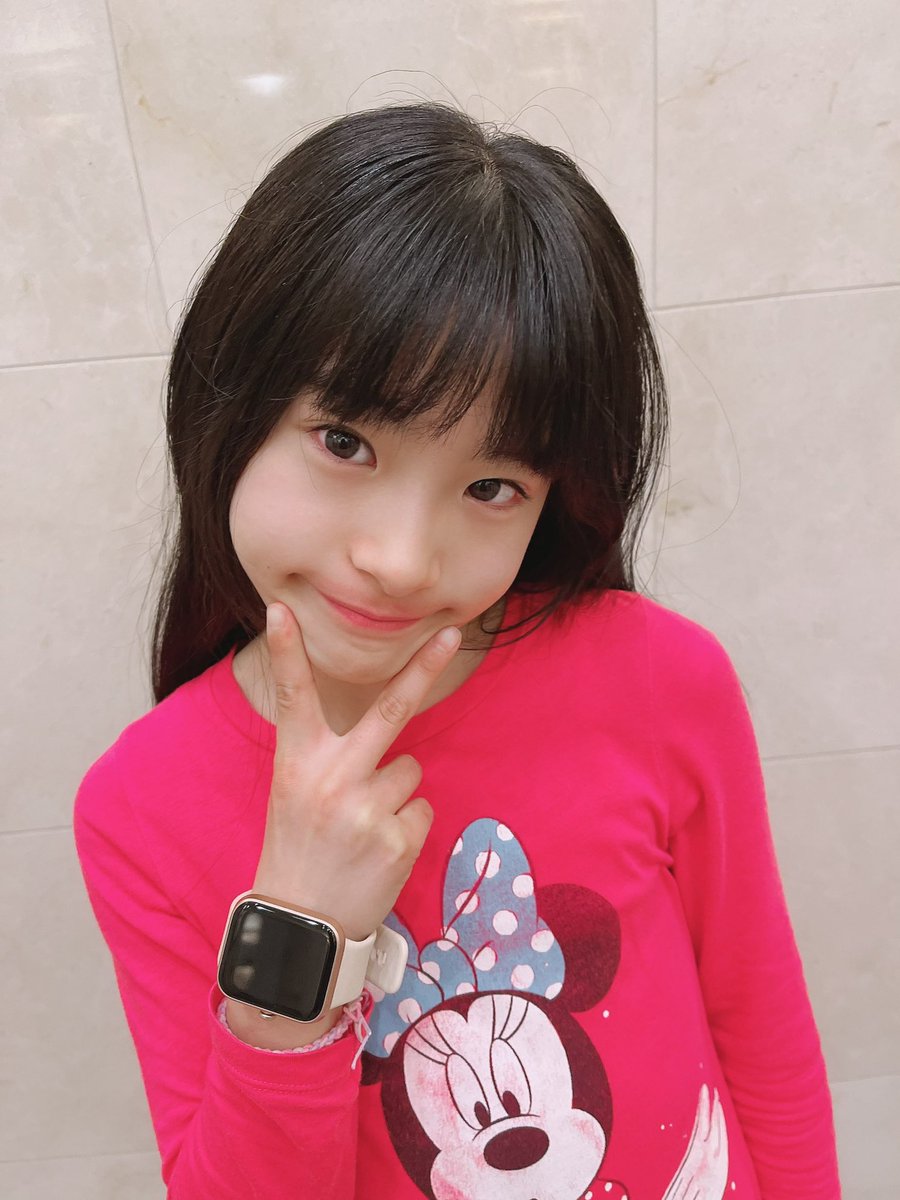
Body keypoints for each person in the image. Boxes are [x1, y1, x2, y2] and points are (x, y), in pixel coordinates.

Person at [73, 101, 841, 1199]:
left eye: (491, 486)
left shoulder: (660, 680)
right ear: (226, 409)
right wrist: (298, 931)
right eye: (345, 441)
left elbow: (762, 1035)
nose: (398, 558)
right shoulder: (141, 808)